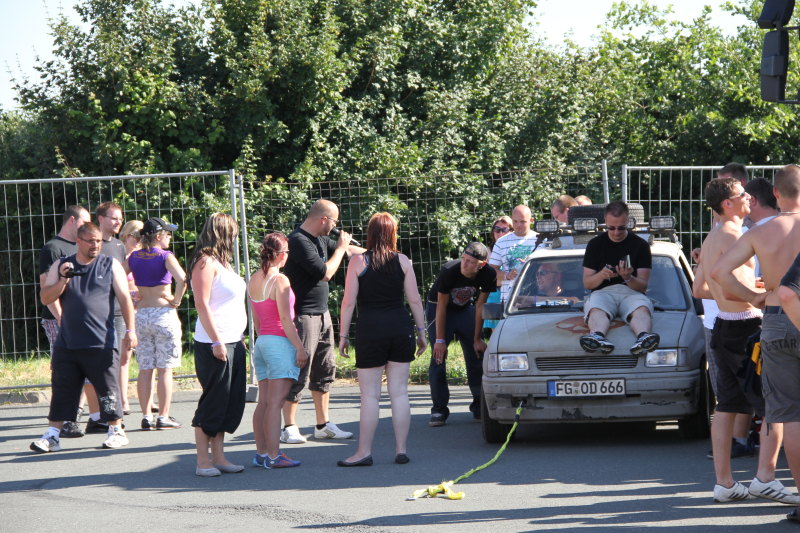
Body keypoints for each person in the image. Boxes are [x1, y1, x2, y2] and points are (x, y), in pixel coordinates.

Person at [693, 178, 794, 504]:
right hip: (746, 326)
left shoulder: (712, 236)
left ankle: (724, 482)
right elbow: (720, 281)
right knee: (774, 407)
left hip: (723, 325)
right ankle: (765, 477)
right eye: (741, 195)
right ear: (728, 204)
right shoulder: (735, 234)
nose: (749, 197)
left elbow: (701, 288)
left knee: (728, 405)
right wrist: (757, 295)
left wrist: (745, 290)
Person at [30, 223, 136, 452]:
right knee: (62, 389)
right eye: (90, 241)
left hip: (101, 342)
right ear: (78, 242)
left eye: (98, 241)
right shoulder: (62, 264)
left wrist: (131, 330)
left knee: (108, 390)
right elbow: (46, 298)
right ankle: (52, 436)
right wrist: (63, 279)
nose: (95, 245)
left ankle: (116, 431)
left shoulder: (111, 264)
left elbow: (125, 299)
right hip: (68, 343)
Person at [337, 213, 427, 466]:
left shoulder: (358, 261)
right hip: (400, 327)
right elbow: (414, 300)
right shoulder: (403, 261)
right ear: (393, 233)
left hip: (371, 330)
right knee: (399, 393)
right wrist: (422, 332)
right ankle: (401, 450)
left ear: (370, 233)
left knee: (370, 397)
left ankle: (363, 452)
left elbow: (348, 303)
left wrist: (343, 336)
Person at [281, 199, 364, 444]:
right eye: (335, 222)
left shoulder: (320, 239)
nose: (336, 227)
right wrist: (340, 248)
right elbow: (325, 273)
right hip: (303, 316)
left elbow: (350, 251)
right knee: (299, 369)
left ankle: (323, 425)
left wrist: (384, 254)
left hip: (322, 314)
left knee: (325, 369)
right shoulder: (298, 241)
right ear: (324, 219)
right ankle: (289, 427)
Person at [188, 213, 248, 477]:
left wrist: (238, 337)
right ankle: (203, 461)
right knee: (213, 401)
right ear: (222, 233)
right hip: (214, 342)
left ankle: (219, 457)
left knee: (229, 401)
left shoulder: (224, 263)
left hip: (233, 340)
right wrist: (216, 340)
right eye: (232, 233)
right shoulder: (204, 262)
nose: (235, 237)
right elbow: (201, 304)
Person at [249, 232, 308, 469]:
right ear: (281, 254)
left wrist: (264, 338)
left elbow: (256, 320)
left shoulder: (254, 278)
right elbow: (285, 319)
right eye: (287, 252)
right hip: (278, 343)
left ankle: (262, 453)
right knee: (275, 403)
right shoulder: (280, 280)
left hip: (262, 342)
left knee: (263, 402)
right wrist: (300, 347)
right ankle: (274, 456)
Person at [426, 242, 497, 426]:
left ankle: (479, 406)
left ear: (481, 265)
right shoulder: (450, 270)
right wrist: (440, 340)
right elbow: (441, 306)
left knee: (477, 354)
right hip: (439, 309)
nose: (464, 264)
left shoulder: (489, 274)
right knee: (438, 357)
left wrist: (477, 338)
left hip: (464, 310)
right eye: (463, 259)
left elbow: (480, 305)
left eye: (469, 261)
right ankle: (439, 409)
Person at [38, 205, 92, 439]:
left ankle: (75, 415)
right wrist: (62, 318)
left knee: (84, 367)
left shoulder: (80, 246)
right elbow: (46, 288)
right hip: (58, 319)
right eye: (84, 222)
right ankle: (63, 419)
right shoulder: (53, 248)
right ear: (72, 220)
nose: (87, 227)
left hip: (82, 319)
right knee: (64, 370)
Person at [128, 217, 186, 431]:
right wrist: (176, 300)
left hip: (142, 314)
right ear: (159, 236)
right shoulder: (165, 256)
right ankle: (163, 416)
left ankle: (146, 416)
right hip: (163, 313)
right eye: (168, 234)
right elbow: (182, 279)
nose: (169, 237)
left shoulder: (134, 256)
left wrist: (131, 295)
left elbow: (116, 277)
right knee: (164, 369)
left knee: (145, 368)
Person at [579, 201, 659, 355]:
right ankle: (597, 336)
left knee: (641, 308)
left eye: (621, 227)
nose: (616, 232)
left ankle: (643, 336)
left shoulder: (640, 245)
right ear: (605, 221)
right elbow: (587, 283)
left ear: (628, 221)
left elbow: (642, 286)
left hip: (631, 293)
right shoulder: (595, 244)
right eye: (611, 227)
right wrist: (602, 275)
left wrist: (628, 278)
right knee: (596, 309)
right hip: (603, 293)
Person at [83, 201, 128, 434]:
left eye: (120, 218)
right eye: (114, 217)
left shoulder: (119, 246)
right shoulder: (90, 247)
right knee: (94, 365)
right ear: (100, 219)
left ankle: (113, 414)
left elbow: (122, 280)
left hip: (117, 314)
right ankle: (96, 415)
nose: (118, 221)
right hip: (96, 316)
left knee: (114, 364)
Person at [489, 205, 539, 305]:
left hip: (536, 299)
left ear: (531, 220)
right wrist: (507, 275)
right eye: (515, 221)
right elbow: (491, 272)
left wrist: (532, 265)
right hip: (509, 303)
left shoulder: (541, 240)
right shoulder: (501, 242)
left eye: (522, 221)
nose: (518, 225)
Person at [118, 220, 144, 414]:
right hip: (124, 311)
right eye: (135, 236)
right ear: (126, 236)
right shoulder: (120, 257)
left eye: (142, 237)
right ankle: (123, 400)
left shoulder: (143, 256)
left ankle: (147, 401)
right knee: (124, 357)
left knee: (146, 358)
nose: (139, 241)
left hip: (143, 309)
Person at [483, 215, 511, 330]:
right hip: (494, 295)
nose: (500, 233)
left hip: (513, 296)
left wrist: (500, 277)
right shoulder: (486, 252)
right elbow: (488, 280)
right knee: (496, 334)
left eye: (504, 229)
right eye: (497, 229)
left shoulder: (516, 250)